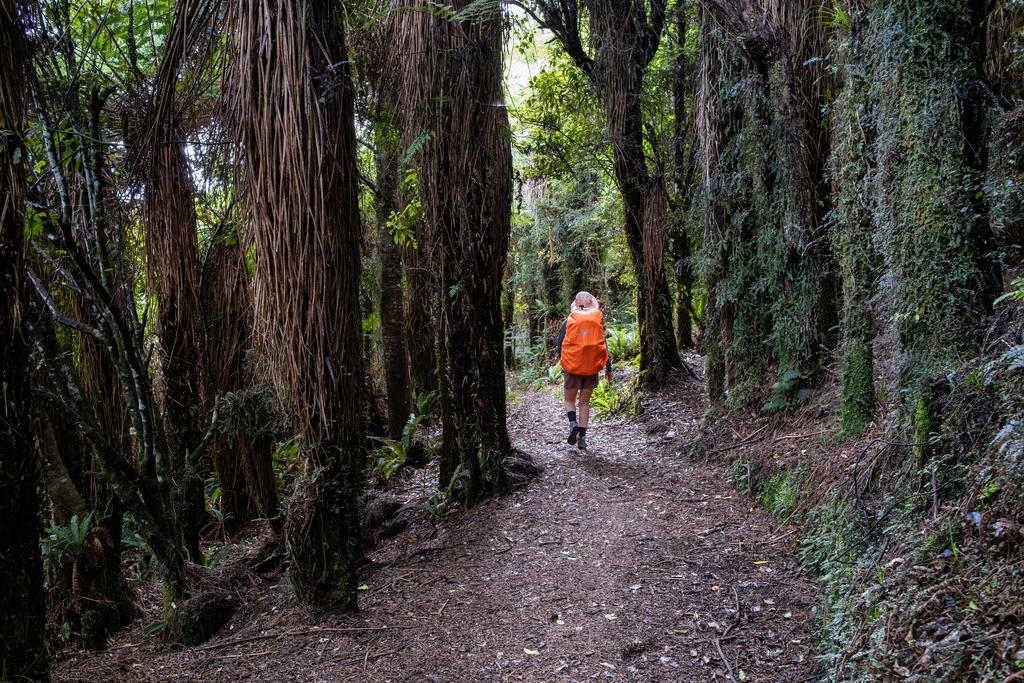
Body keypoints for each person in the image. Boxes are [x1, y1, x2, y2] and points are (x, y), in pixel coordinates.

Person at [556, 291, 612, 451]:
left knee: (569, 401)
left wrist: (564, 364)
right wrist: (608, 368)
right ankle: (582, 438)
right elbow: (603, 345)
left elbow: (559, 345)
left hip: (572, 367)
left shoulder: (569, 321)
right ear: (591, 303)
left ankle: (572, 423)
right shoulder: (596, 321)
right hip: (591, 368)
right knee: (584, 403)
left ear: (575, 303)